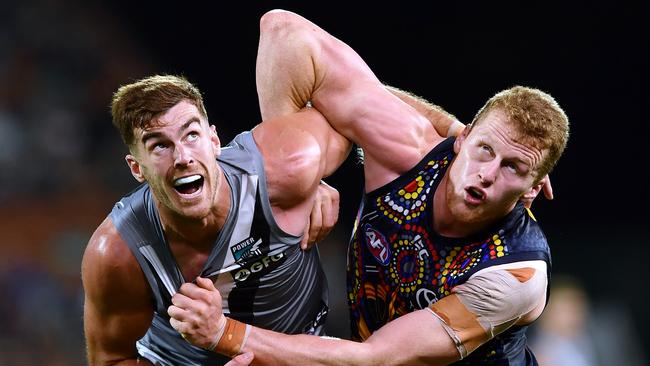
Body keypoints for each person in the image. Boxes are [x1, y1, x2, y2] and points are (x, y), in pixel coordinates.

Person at [170, 9, 569, 366]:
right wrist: (301, 186)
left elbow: (375, 358)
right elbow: (284, 32)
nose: (488, 173)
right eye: (485, 149)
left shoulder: (516, 274)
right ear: (462, 139)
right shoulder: (408, 151)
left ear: (532, 191)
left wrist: (225, 334)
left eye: (513, 168)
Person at [81, 74, 354, 365]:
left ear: (213, 140)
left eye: (191, 135)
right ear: (137, 168)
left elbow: (355, 108)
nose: (182, 157)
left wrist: (312, 180)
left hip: (308, 350)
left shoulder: (287, 168)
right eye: (159, 145)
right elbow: (111, 359)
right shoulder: (118, 253)